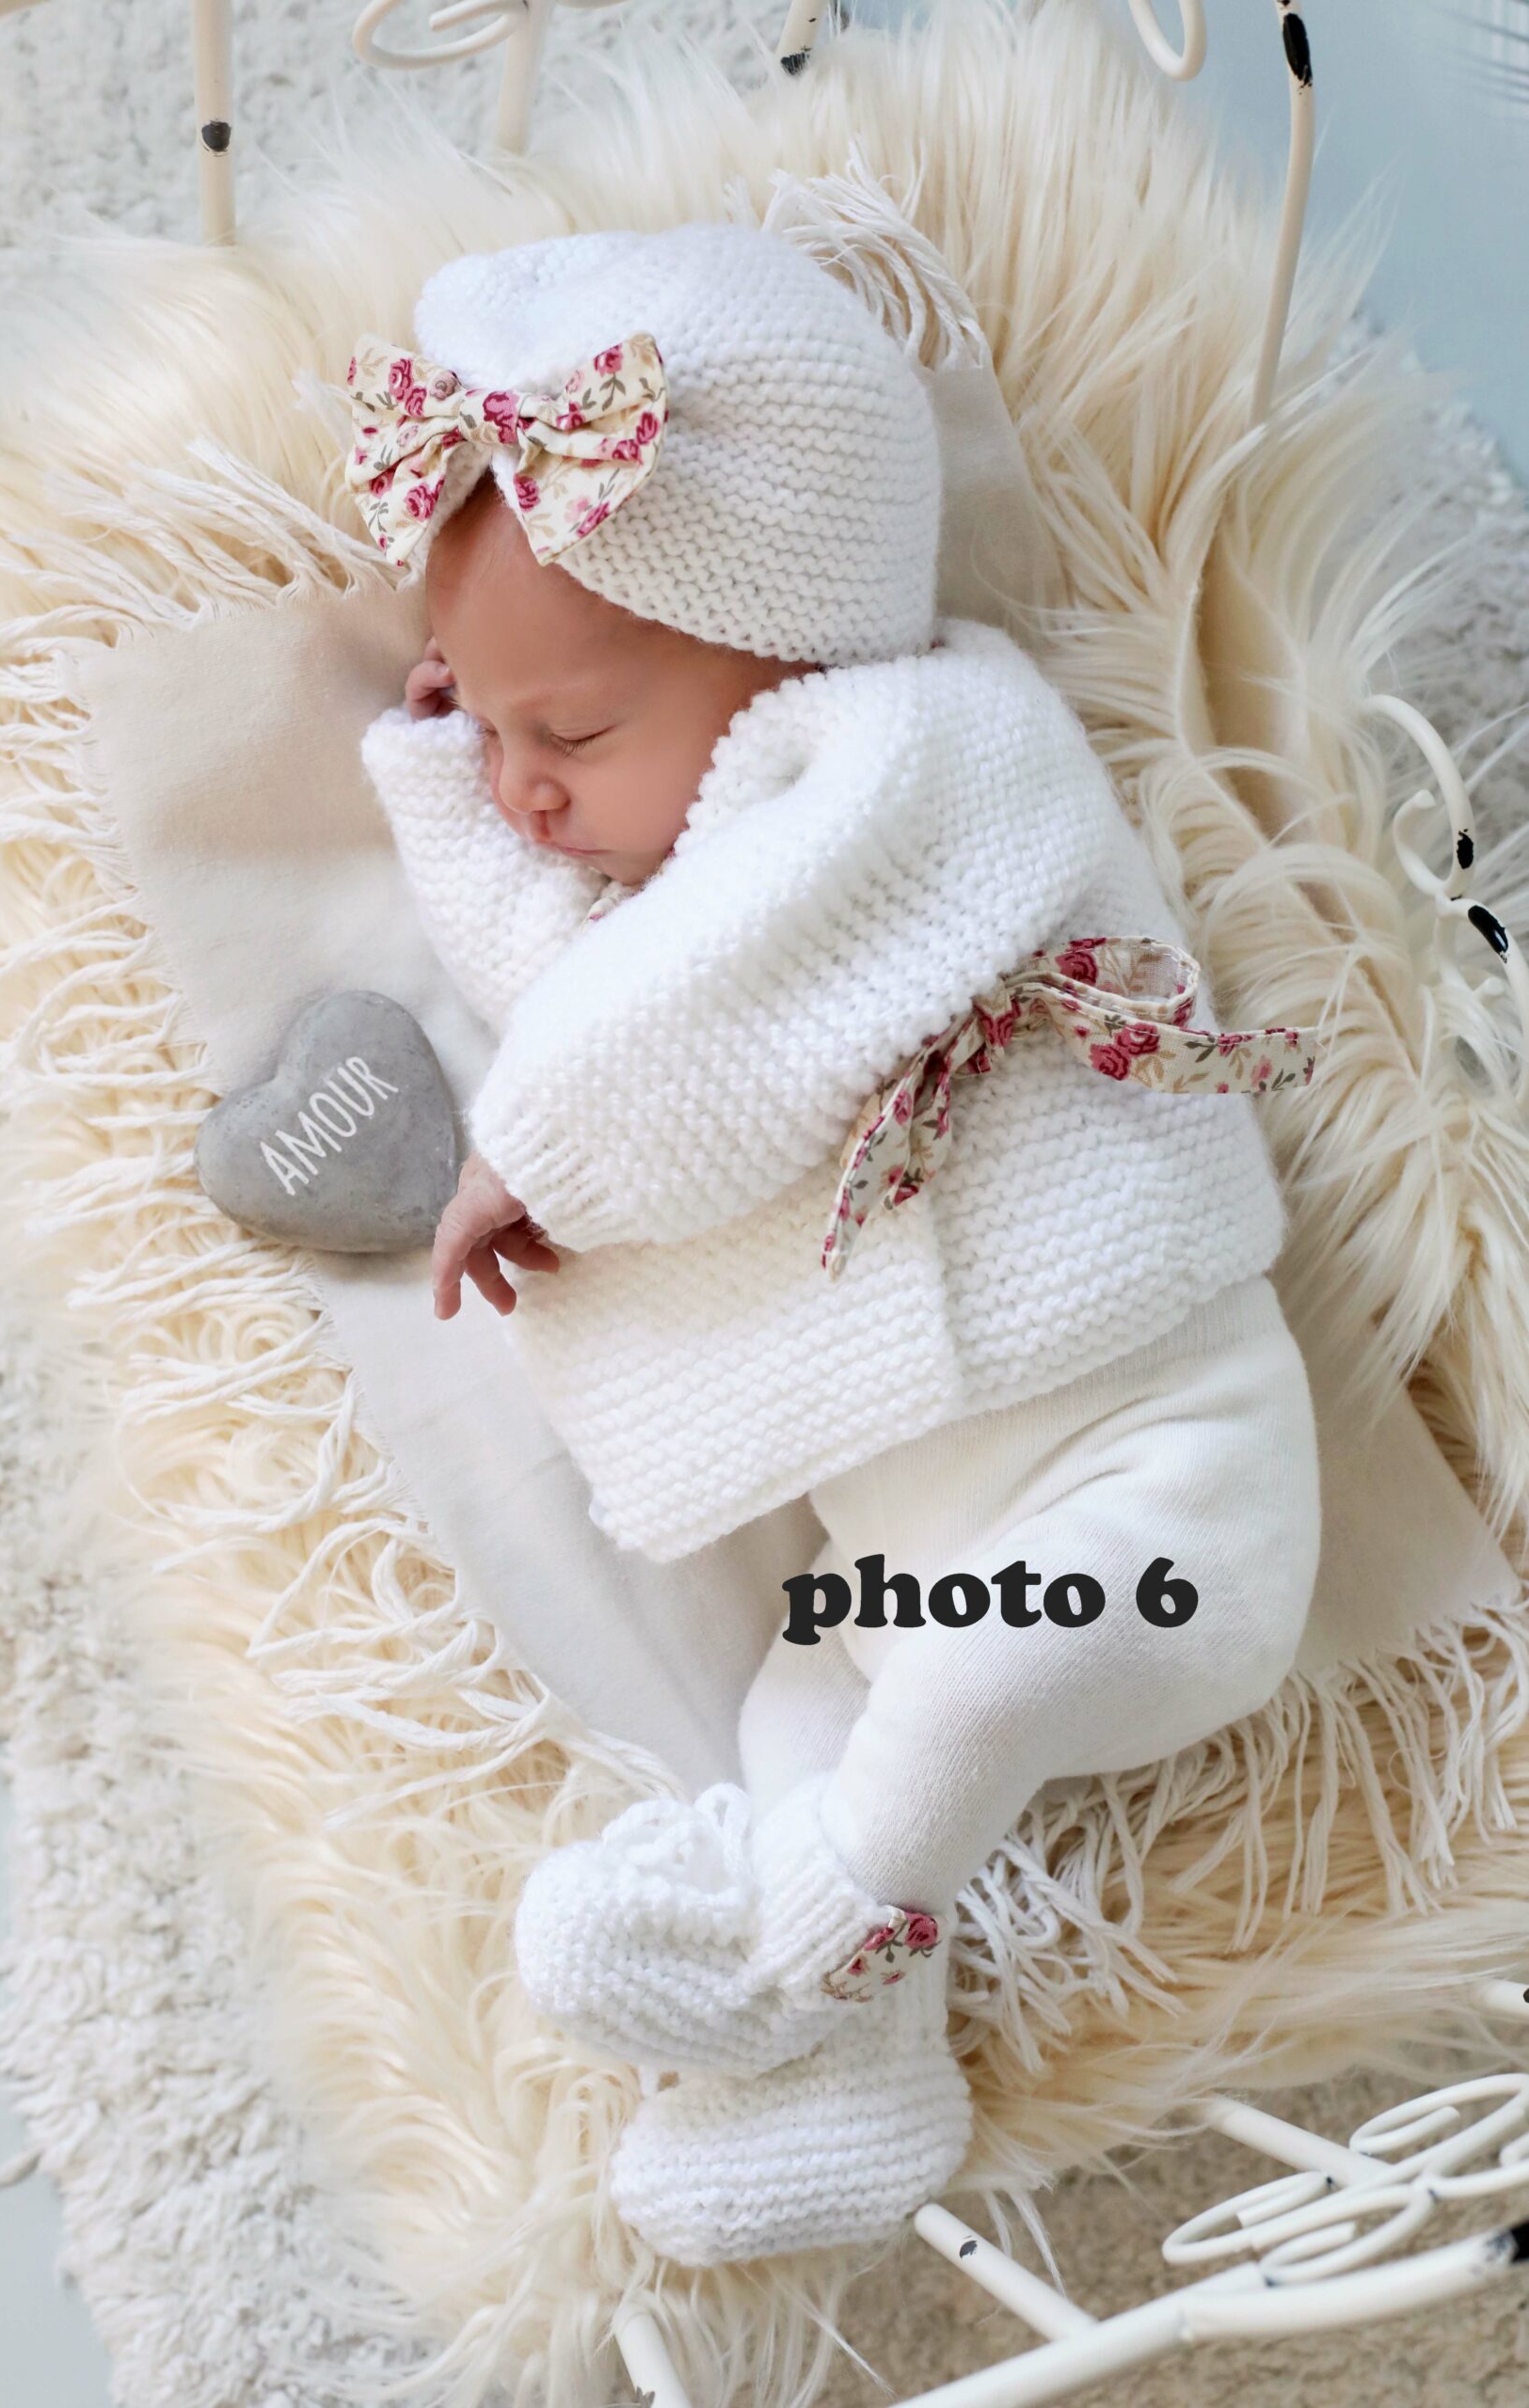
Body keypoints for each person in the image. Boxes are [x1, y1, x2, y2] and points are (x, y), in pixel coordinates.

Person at [342, 216, 1323, 2267]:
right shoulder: (661, 894)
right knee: (813, 1713)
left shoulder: (937, 752)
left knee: (959, 1702)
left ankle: (814, 1928)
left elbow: (699, 1014)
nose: (528, 794)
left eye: (568, 737)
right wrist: (448, 766)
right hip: (894, 1564)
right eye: (498, 736)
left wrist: (535, 1156)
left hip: (1160, 1494)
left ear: (784, 651)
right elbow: (576, 990)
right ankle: (840, 2059)